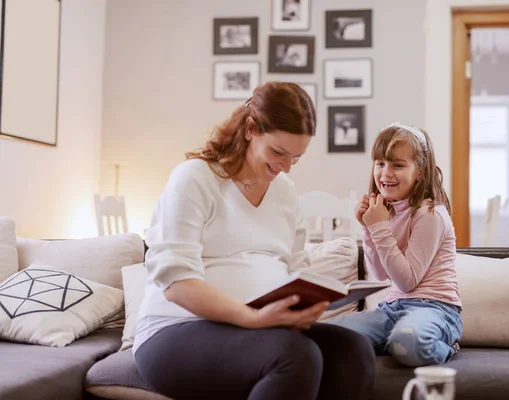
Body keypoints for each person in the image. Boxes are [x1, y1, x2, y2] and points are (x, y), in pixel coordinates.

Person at [133, 81, 375, 400]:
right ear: (250, 129)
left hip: (259, 327)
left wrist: (306, 304)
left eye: (296, 157)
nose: (286, 167)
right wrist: (251, 318)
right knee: (294, 354)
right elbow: (177, 282)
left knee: (353, 350)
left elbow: (297, 268)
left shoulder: (285, 192)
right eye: (278, 152)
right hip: (173, 328)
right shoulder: (195, 178)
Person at [328, 122, 463, 367]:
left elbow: (406, 281)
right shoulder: (387, 211)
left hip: (435, 309)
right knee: (328, 335)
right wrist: (368, 228)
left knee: (408, 341)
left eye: (398, 165)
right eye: (380, 163)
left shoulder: (430, 213)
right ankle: (394, 341)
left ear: (420, 171)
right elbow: (381, 275)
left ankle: (443, 345)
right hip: (392, 309)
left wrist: (379, 228)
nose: (385, 173)